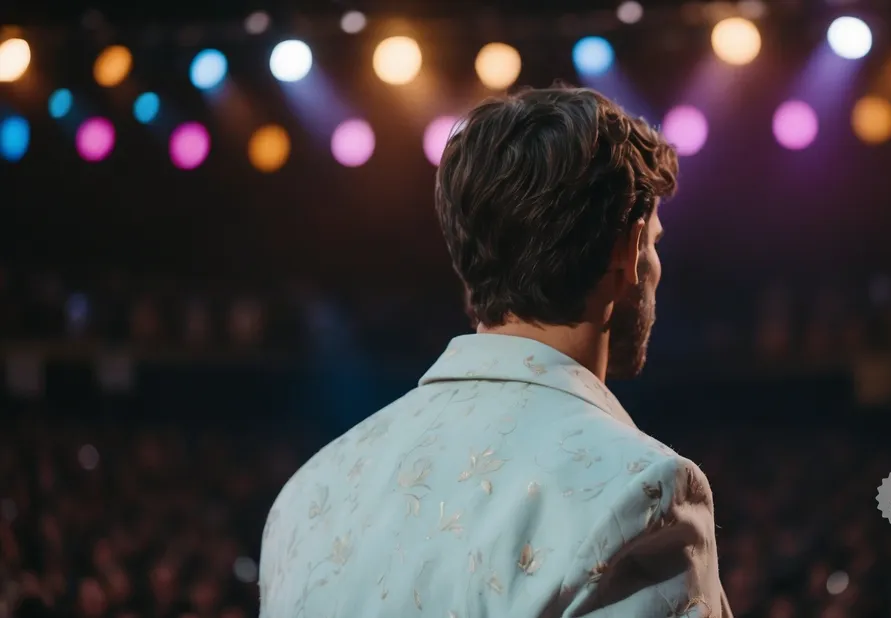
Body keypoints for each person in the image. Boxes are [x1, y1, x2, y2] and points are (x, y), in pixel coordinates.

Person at [259, 86, 731, 618]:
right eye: (655, 244)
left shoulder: (307, 493)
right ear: (628, 248)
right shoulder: (642, 491)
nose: (657, 268)